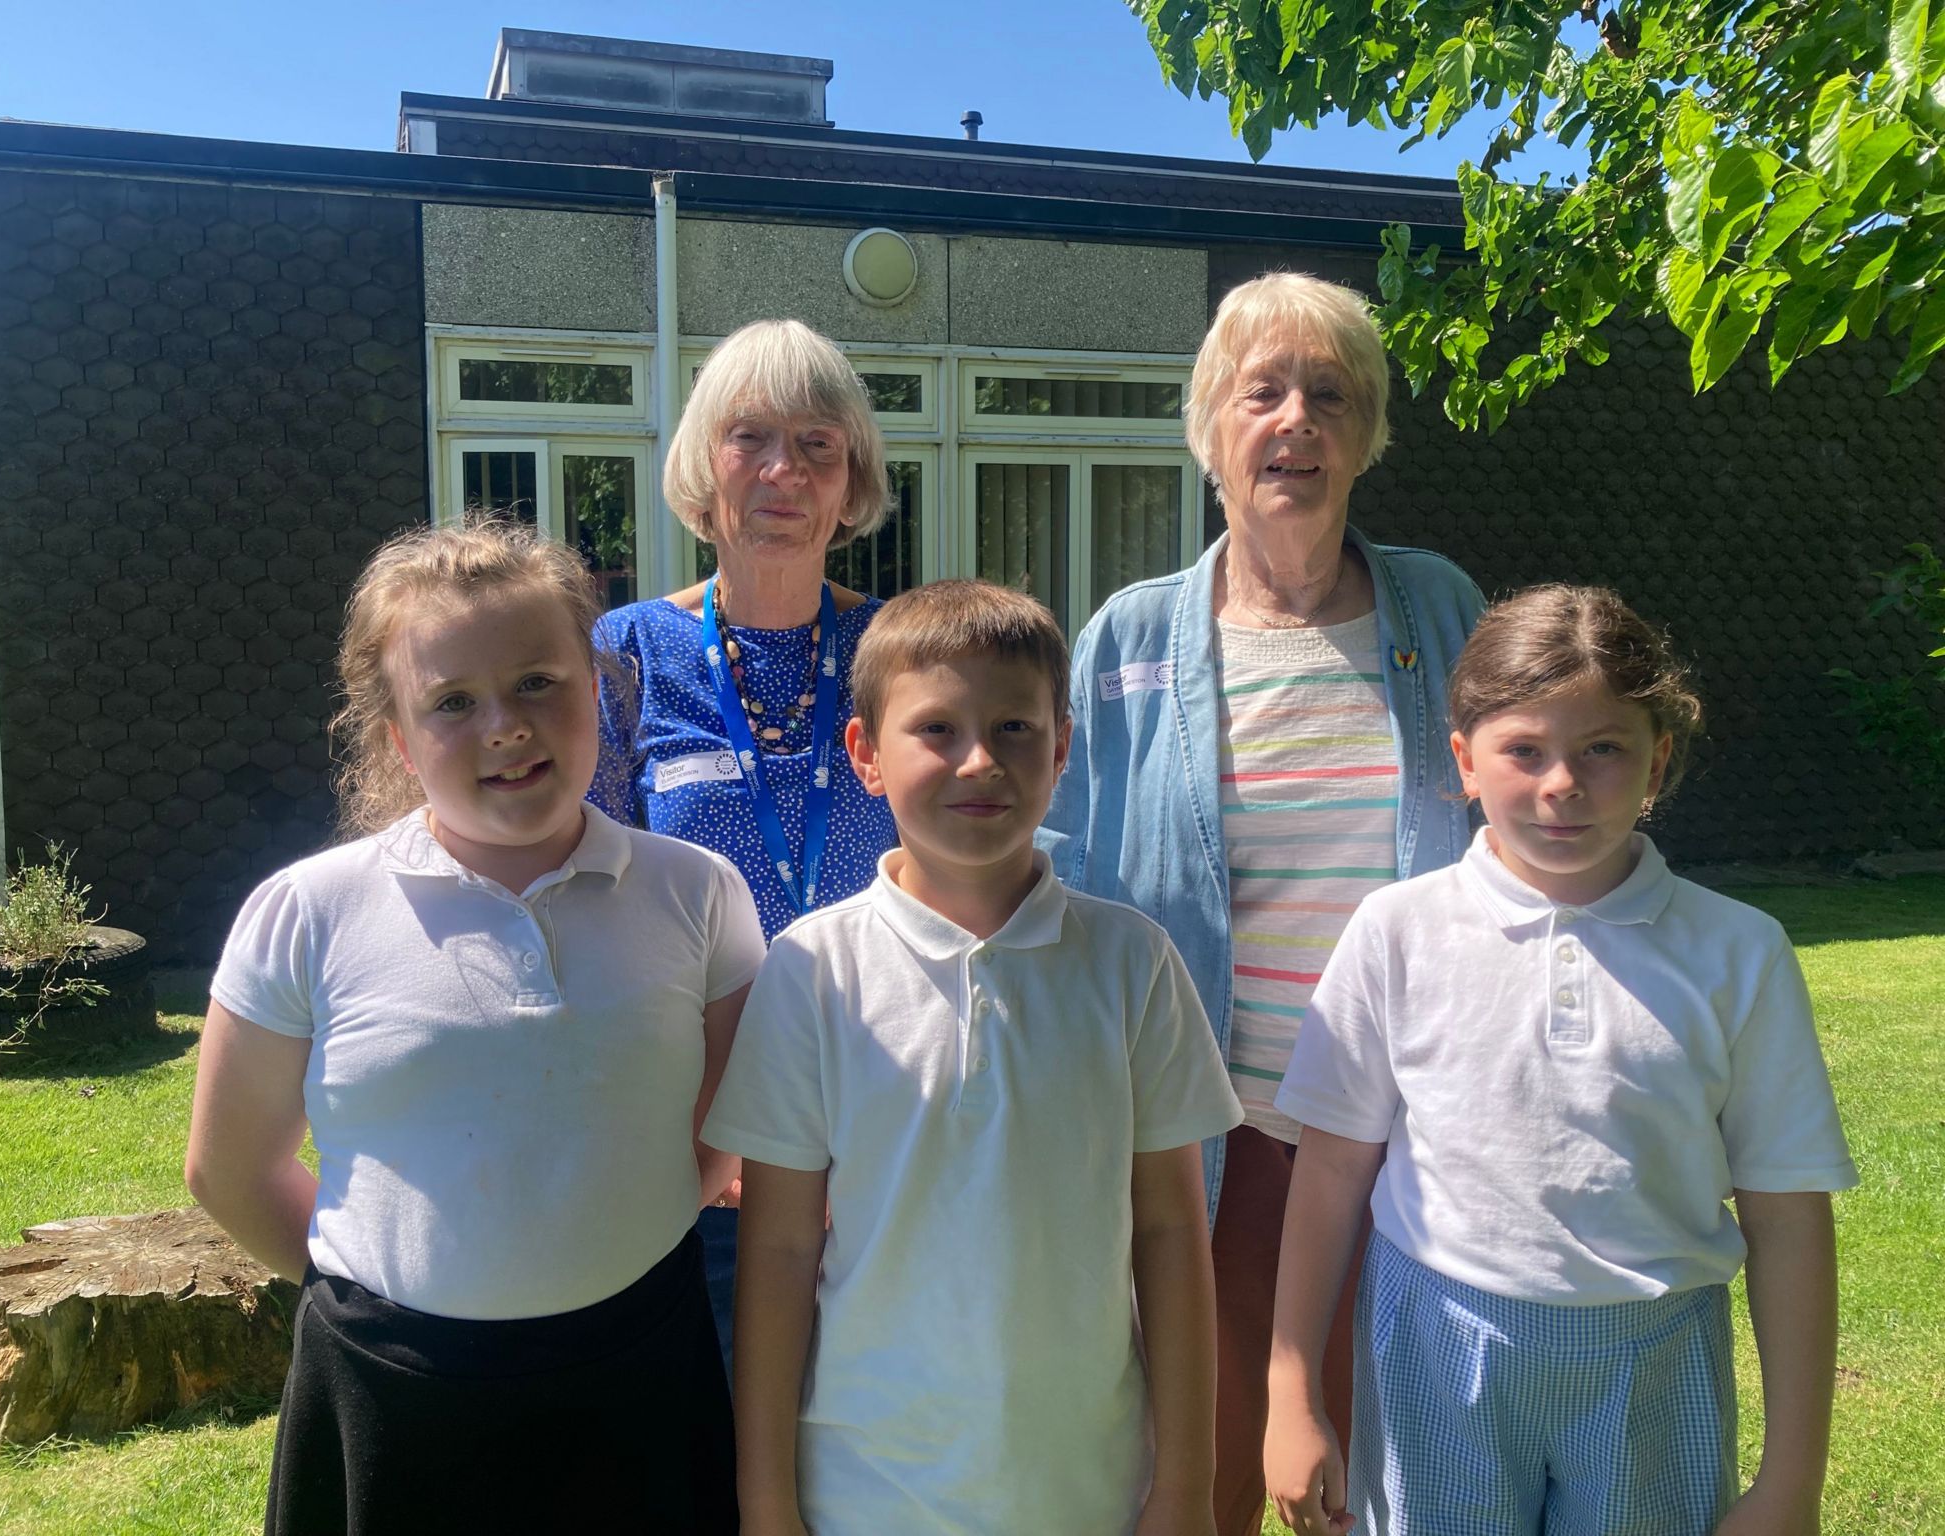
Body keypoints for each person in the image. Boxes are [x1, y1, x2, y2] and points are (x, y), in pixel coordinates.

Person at [185, 520, 763, 1534]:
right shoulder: (307, 911)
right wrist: (385, 1302)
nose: (505, 725)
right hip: (392, 1397)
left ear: (599, 691)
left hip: (640, 1376)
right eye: (453, 702)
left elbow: (721, 1130)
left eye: (539, 681)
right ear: (399, 739)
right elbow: (228, 1169)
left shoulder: (696, 894)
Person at [1264, 585, 1856, 1535]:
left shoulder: (1739, 952)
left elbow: (1788, 1218)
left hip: (1652, 1364)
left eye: (1603, 749)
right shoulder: (1398, 932)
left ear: (1657, 759)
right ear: (1463, 761)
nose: (1562, 785)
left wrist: (1792, 1478)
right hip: (1436, 1357)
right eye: (1524, 751)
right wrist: (1292, 1394)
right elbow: (1332, 1169)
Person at [1041, 271, 1485, 1535]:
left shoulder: (1441, 609)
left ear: (1366, 434)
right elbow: (1065, 868)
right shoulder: (1127, 640)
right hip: (1215, 1140)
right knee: (1206, 1473)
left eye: (1328, 395)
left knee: (1412, 1473)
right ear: (1210, 430)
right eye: (1263, 392)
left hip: (1415, 1139)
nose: (1295, 420)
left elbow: (1520, 831)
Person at [705, 580, 1243, 1535]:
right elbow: (781, 1247)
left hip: (1089, 1487)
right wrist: (767, 1500)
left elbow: (1169, 1233)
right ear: (866, 755)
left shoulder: (1132, 963)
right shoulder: (813, 970)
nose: (980, 760)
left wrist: (1187, 1487)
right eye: (938, 731)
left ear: (1064, 746)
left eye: (1014, 728)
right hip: (865, 1490)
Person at [589, 318, 901, 1361]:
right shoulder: (625, 656)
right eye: (749, 437)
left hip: (882, 1128)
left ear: (850, 478)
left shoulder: (898, 652)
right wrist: (705, 1139)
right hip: (694, 1148)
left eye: (818, 444)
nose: (784, 470)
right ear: (700, 466)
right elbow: (583, 892)